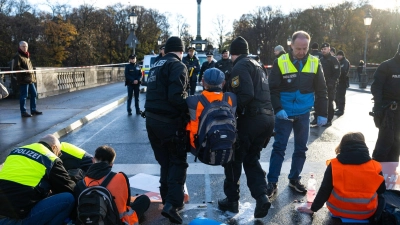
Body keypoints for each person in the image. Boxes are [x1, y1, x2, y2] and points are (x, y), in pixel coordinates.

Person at [218, 36, 274, 218]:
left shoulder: (240, 67)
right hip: (267, 119)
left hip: (251, 119)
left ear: (233, 53)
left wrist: (231, 114)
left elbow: (246, 95)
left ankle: (232, 201)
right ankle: (262, 197)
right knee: (251, 159)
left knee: (233, 160)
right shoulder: (257, 65)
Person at [267, 31, 328, 197]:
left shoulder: (315, 62)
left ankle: (294, 179)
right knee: (279, 147)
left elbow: (322, 90)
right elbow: (273, 89)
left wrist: (322, 113)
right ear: (291, 46)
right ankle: (272, 182)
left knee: (301, 149)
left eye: (305, 48)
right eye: (298, 48)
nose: (301, 52)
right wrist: (278, 109)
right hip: (284, 113)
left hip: (303, 113)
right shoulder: (280, 61)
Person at [144, 36, 189, 224]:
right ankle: (173, 205)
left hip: (152, 122)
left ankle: (165, 200)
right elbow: (176, 97)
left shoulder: (155, 65)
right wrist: (189, 111)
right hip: (169, 123)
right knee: (177, 162)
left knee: (165, 163)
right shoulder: (178, 66)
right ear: (181, 51)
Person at [297, 132, 386, 221]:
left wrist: (313, 209)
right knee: (381, 195)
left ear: (342, 145)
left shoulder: (334, 165)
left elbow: (325, 190)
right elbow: (382, 190)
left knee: (332, 186)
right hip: (366, 212)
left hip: (338, 210)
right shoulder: (375, 166)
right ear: (363, 145)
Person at [0, 134, 76, 224]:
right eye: (59, 153)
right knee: (68, 198)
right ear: (54, 147)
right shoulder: (50, 157)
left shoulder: (16, 151)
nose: (58, 155)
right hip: (13, 220)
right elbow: (68, 187)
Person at [75, 145, 150, 224]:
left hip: (90, 220)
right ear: (111, 164)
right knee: (144, 199)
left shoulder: (81, 184)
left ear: (93, 160)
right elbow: (126, 203)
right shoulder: (120, 177)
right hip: (118, 222)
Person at [186, 68, 236, 152]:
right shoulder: (231, 98)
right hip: (227, 143)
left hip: (199, 146)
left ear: (203, 81)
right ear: (223, 83)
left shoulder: (192, 100)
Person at [371, 43, 400, 162]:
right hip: (388, 109)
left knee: (397, 144)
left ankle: (392, 172)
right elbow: (376, 87)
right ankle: (377, 171)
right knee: (385, 142)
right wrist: (378, 107)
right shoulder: (387, 66)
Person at [13, 41, 42, 117]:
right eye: (23, 46)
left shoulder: (27, 56)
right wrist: (25, 71)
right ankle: (23, 112)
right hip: (23, 79)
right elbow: (16, 67)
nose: (25, 48)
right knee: (24, 96)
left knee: (34, 94)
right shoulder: (18, 56)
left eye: (26, 46)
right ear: (19, 47)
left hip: (30, 79)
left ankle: (33, 110)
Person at [314, 42, 340, 127]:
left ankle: (329, 119)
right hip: (320, 85)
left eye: (325, 49)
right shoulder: (320, 60)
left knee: (329, 102)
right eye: (322, 49)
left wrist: (332, 83)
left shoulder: (333, 60)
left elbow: (337, 73)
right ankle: (316, 118)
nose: (323, 51)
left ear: (329, 49)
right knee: (318, 102)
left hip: (330, 85)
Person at [334, 50, 350, 116]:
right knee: (337, 96)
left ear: (342, 55)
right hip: (338, 81)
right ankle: (339, 108)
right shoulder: (338, 62)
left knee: (341, 96)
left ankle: (341, 110)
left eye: (340, 55)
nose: (338, 56)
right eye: (337, 55)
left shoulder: (345, 62)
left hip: (343, 81)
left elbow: (343, 71)